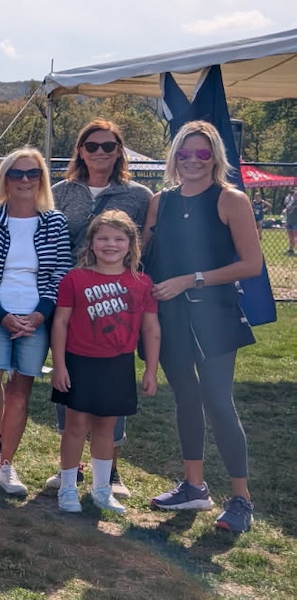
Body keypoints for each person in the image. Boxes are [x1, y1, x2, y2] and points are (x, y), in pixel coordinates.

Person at [143, 120, 261, 533]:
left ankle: (241, 499)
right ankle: (194, 487)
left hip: (214, 315)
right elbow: (146, 258)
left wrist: (192, 280)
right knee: (186, 400)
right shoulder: (161, 201)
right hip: (170, 318)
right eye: (185, 153)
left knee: (217, 401)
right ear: (174, 157)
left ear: (215, 157)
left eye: (202, 153)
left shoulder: (231, 200)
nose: (193, 161)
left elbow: (251, 265)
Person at [46, 119, 153, 497]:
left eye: (109, 146)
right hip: (70, 294)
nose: (100, 153)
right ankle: (70, 469)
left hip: (115, 300)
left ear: (120, 151)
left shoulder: (138, 194)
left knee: (112, 383)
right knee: (71, 381)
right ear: (80, 150)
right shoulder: (60, 191)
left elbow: (145, 246)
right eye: (92, 146)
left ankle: (110, 471)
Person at [0, 146, 71, 501]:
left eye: (32, 173)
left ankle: (6, 466)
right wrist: (1, 314)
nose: (24, 180)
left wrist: (38, 315)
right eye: (17, 173)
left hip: (35, 321)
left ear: (42, 179)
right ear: (5, 178)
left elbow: (60, 274)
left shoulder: (55, 221)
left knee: (20, 396)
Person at [50, 210, 160, 515]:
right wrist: (59, 365)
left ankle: (101, 489)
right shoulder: (75, 278)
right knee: (75, 426)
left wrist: (151, 369)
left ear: (131, 244)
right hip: (80, 362)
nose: (110, 244)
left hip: (118, 364)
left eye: (118, 238)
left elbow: (151, 328)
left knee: (105, 428)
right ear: (92, 243)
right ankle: (68, 487)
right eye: (103, 238)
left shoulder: (141, 283)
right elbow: (60, 324)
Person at [283, 190, 297, 255]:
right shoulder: (291, 201)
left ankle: (291, 249)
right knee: (290, 237)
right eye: (295, 194)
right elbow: (287, 209)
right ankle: (290, 249)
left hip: (295, 222)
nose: (295, 196)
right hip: (289, 221)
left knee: (295, 237)